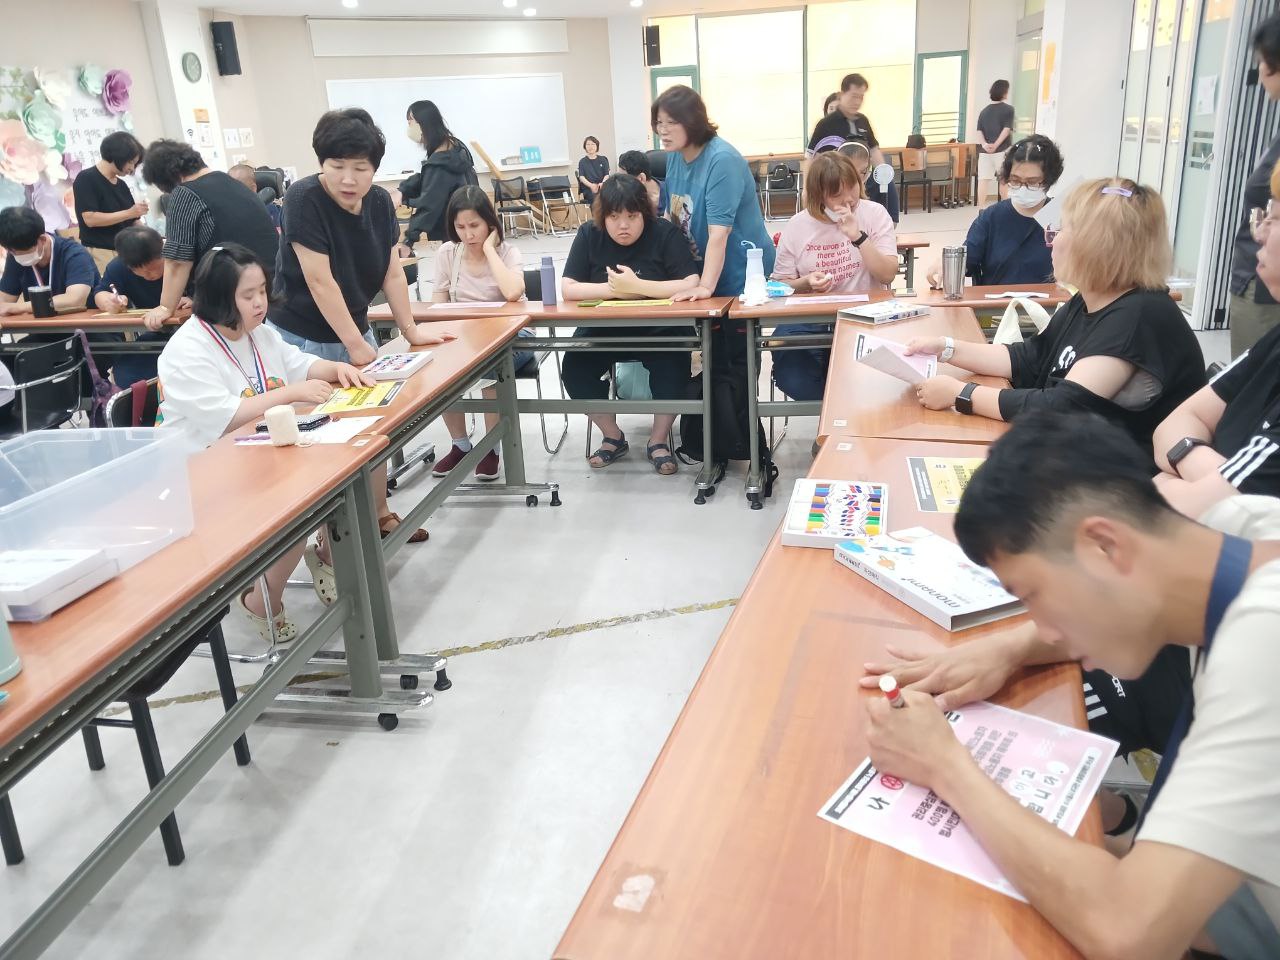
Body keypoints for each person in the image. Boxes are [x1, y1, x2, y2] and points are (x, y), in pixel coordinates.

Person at [864, 410, 1280, 960]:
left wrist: (944, 765)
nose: (1045, 629)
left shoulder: (1266, 642)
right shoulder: (1241, 529)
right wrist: (1007, 648)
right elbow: (1143, 593)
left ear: (1104, 547)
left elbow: (1129, 933)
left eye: (1032, 593)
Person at [156, 244, 374, 642]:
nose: (260, 303)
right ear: (220, 297)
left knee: (344, 469)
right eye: (248, 295)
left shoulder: (257, 333)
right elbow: (226, 418)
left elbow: (297, 363)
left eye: (262, 290)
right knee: (297, 500)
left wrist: (338, 367)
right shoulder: (187, 350)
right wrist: (292, 394)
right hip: (204, 469)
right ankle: (259, 599)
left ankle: (325, 553)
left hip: (260, 450)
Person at [907, 178, 1205, 451]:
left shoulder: (1138, 316)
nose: (1050, 239)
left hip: (1116, 481)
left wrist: (961, 393)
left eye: (1062, 229)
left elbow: (1062, 407)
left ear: (1095, 248)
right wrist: (945, 348)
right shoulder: (1092, 298)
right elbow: (1030, 358)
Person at [270, 108, 453, 544]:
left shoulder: (378, 202)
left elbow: (392, 272)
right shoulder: (302, 199)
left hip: (353, 331)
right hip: (301, 339)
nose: (348, 178)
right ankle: (321, 539)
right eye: (337, 167)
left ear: (374, 169)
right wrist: (355, 345)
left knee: (371, 430)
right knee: (313, 439)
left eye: (360, 168)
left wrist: (410, 331)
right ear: (321, 165)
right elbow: (319, 279)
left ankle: (379, 515)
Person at [1153, 158, 1280, 520]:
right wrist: (1207, 471)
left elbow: (1231, 511)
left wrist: (1169, 477)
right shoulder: (1274, 341)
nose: (1259, 233)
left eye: (1271, 218)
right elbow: (1175, 423)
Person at [560, 174, 701, 474]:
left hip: (660, 329)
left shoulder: (664, 233)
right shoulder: (588, 234)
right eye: (614, 217)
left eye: (632, 216)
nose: (623, 225)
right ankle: (613, 436)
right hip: (602, 330)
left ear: (644, 214)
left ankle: (658, 440)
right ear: (603, 216)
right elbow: (569, 287)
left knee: (674, 368)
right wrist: (613, 291)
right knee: (573, 369)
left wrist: (639, 286)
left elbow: (691, 282)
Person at [769, 152, 897, 401]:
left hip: (864, 314)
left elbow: (888, 273)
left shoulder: (874, 213)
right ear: (819, 196)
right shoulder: (797, 226)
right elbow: (778, 286)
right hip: (808, 319)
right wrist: (805, 283)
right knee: (793, 375)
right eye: (837, 194)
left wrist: (858, 237)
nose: (849, 199)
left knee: (870, 376)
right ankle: (835, 418)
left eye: (852, 188)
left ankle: (843, 420)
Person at [430, 185, 535, 481]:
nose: (467, 233)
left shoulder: (507, 251)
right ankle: (461, 445)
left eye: (474, 225)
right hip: (465, 338)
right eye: (460, 226)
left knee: (489, 370)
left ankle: (491, 449)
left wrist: (489, 250)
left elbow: (514, 292)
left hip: (511, 339)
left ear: (490, 222)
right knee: (439, 373)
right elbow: (438, 308)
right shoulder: (448, 254)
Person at [653, 85, 775, 304]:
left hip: (738, 275)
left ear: (693, 122)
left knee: (731, 337)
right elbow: (670, 217)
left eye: (672, 122)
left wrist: (705, 287)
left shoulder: (721, 160)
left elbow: (719, 233)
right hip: (700, 270)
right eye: (659, 122)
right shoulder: (674, 154)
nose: (663, 130)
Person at [140, 140, 279, 331]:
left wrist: (165, 307)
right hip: (269, 293)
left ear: (169, 179)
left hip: (237, 301)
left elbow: (177, 260)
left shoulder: (185, 193)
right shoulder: (233, 183)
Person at [926, 134, 1062, 290]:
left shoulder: (1060, 215)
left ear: (1049, 179)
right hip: (996, 308)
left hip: (1048, 308)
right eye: (1015, 180)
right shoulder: (992, 217)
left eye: (1032, 182)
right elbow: (968, 259)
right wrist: (946, 263)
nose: (1023, 187)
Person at [1227, 13, 1280, 357]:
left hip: (1266, 287)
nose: (1260, 71)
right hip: (1257, 273)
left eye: (1263, 60)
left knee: (1255, 392)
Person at [92, 225, 191, 388]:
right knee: (127, 372)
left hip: (193, 333)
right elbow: (101, 293)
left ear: (163, 251)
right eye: (141, 272)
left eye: (155, 268)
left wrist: (195, 300)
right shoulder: (118, 267)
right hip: (158, 334)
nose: (150, 275)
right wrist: (109, 301)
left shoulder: (183, 258)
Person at [398, 100, 478, 253]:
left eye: (410, 122)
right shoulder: (456, 147)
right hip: (470, 225)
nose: (409, 128)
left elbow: (429, 204)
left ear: (424, 123)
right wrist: (402, 191)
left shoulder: (440, 161)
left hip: (454, 232)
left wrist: (408, 241)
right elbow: (427, 181)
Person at [0, 206, 98, 316]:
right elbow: (4, 299)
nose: (18, 256)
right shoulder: (15, 256)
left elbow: (75, 300)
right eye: (12, 251)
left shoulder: (74, 254)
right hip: (44, 329)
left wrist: (17, 307)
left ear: (42, 239)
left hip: (86, 327)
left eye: (25, 251)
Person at [72, 131, 148, 272]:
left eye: (135, 164)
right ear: (117, 155)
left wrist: (152, 238)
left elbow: (133, 221)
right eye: (131, 162)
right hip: (100, 252)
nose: (132, 168)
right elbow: (90, 219)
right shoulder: (86, 178)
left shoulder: (122, 185)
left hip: (127, 252)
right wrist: (130, 213)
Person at [807, 74, 881, 162]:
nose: (857, 102)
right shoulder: (825, 123)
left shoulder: (863, 120)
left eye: (861, 97)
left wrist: (883, 171)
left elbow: (874, 151)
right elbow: (811, 159)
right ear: (842, 94)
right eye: (854, 96)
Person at [974, 80, 1014, 209]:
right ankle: (1005, 207)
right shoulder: (1008, 109)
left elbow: (979, 131)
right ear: (1004, 92)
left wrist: (985, 145)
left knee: (983, 180)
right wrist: (996, 145)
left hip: (985, 152)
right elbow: (1006, 129)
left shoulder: (984, 111)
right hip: (1002, 150)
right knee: (1004, 179)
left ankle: (981, 209)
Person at [837, 139, 898, 223]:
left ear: (869, 164)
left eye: (862, 172)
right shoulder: (832, 183)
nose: (856, 178)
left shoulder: (882, 180)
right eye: (849, 172)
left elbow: (892, 221)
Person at [228, 163, 282, 229]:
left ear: (253, 188)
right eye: (228, 186)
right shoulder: (223, 213)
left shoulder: (268, 209)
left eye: (237, 186)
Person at [617, 149, 667, 216]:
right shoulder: (627, 197)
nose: (620, 183)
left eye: (624, 179)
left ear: (641, 178)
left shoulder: (673, 193)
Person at [577, 136, 609, 204]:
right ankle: (596, 214)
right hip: (589, 188)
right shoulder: (582, 161)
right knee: (594, 197)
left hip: (602, 186)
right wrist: (591, 186)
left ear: (597, 146)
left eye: (593, 144)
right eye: (588, 144)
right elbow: (581, 177)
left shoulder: (603, 159)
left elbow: (607, 175)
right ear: (585, 147)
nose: (590, 146)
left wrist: (602, 183)